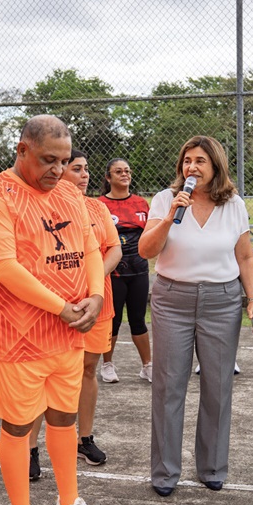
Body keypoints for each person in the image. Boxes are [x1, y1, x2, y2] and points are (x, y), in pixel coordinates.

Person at [0, 115, 116, 505]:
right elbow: (4, 268)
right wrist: (61, 307)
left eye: (64, 161)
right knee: (18, 427)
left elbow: (90, 250)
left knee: (64, 419)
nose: (58, 170)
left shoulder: (70, 194)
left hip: (68, 336)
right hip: (20, 339)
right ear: (22, 150)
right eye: (49, 160)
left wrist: (95, 295)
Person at [139, 135, 253, 496]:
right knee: (168, 387)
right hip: (172, 299)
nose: (191, 167)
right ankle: (165, 473)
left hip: (222, 302)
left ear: (215, 165)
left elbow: (245, 257)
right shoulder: (166, 200)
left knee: (218, 387)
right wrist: (170, 217)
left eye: (200, 161)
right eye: (187, 160)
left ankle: (212, 467)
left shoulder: (234, 204)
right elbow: (146, 249)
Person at [28, 150, 122, 475]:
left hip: (95, 302)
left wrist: (93, 284)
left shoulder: (97, 207)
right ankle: (30, 448)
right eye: (76, 169)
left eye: (86, 169)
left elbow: (114, 249)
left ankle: (84, 439)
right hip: (55, 305)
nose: (84, 175)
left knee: (88, 370)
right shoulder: (41, 205)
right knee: (44, 375)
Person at [96, 158, 153, 383]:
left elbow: (150, 235)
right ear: (108, 177)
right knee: (113, 319)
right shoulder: (99, 205)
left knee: (138, 319)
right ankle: (107, 364)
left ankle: (147, 365)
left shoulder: (141, 203)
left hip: (138, 270)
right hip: (113, 272)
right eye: (118, 171)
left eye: (127, 171)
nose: (124, 174)